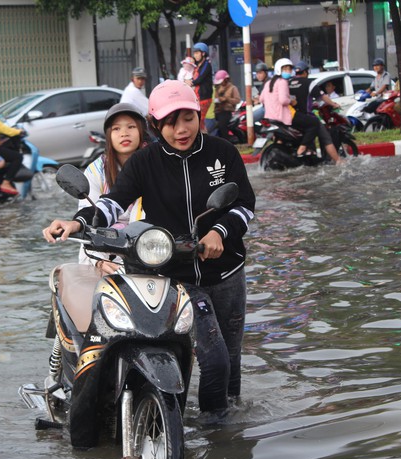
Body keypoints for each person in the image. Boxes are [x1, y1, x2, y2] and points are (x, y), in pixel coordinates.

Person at [43, 80, 256, 428]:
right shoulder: (144, 162)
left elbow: (245, 205)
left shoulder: (223, 153)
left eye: (188, 118)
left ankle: (228, 428)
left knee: (231, 358)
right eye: (170, 122)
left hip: (227, 270)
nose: (181, 129)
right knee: (213, 359)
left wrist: (220, 231)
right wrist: (79, 223)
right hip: (179, 276)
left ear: (199, 116)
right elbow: (113, 202)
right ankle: (202, 425)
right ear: (156, 125)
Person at [78, 102, 148, 274]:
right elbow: (89, 219)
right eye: (116, 129)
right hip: (104, 249)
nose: (124, 133)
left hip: (150, 245)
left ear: (141, 131)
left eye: (131, 127)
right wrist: (99, 261)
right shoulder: (96, 171)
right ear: (108, 135)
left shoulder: (156, 163)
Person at [289, 61, 342, 162]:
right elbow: (322, 96)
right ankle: (338, 161)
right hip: (307, 117)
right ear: (305, 72)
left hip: (293, 117)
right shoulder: (309, 83)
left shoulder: (289, 83)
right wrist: (333, 104)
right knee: (326, 139)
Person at [187, 42, 213, 132]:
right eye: (195, 53)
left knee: (199, 120)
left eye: (197, 53)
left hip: (204, 98)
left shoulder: (206, 65)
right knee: (199, 121)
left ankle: (204, 140)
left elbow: (200, 78)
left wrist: (191, 82)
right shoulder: (198, 66)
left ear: (203, 53)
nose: (195, 55)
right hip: (198, 97)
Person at [213, 70, 241, 144]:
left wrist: (226, 99)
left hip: (227, 111)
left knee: (222, 126)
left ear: (226, 79)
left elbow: (237, 100)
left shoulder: (233, 88)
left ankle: (226, 142)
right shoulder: (218, 88)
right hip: (217, 110)